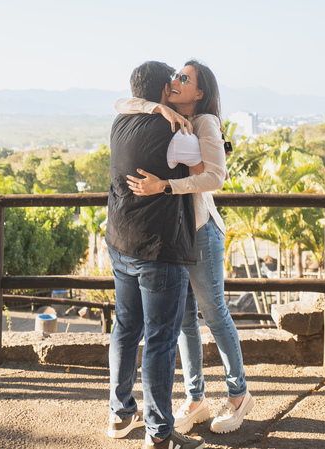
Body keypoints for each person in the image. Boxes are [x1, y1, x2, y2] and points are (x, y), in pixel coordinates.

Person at [120, 60, 255, 435]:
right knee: (183, 321)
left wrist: (166, 185)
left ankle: (238, 395)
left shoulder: (206, 122)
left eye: (184, 78)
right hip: (178, 234)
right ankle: (195, 400)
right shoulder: (171, 119)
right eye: (175, 77)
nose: (175, 81)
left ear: (199, 92)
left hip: (201, 230)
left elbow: (217, 177)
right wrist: (157, 106)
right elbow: (123, 104)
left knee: (214, 314)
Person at [105, 60, 205, 449]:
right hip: (158, 249)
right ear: (165, 90)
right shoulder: (178, 131)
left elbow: (123, 105)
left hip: (121, 243)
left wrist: (153, 106)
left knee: (126, 329)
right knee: (161, 341)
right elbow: (205, 176)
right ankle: (159, 433)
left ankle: (120, 414)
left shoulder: (120, 124)